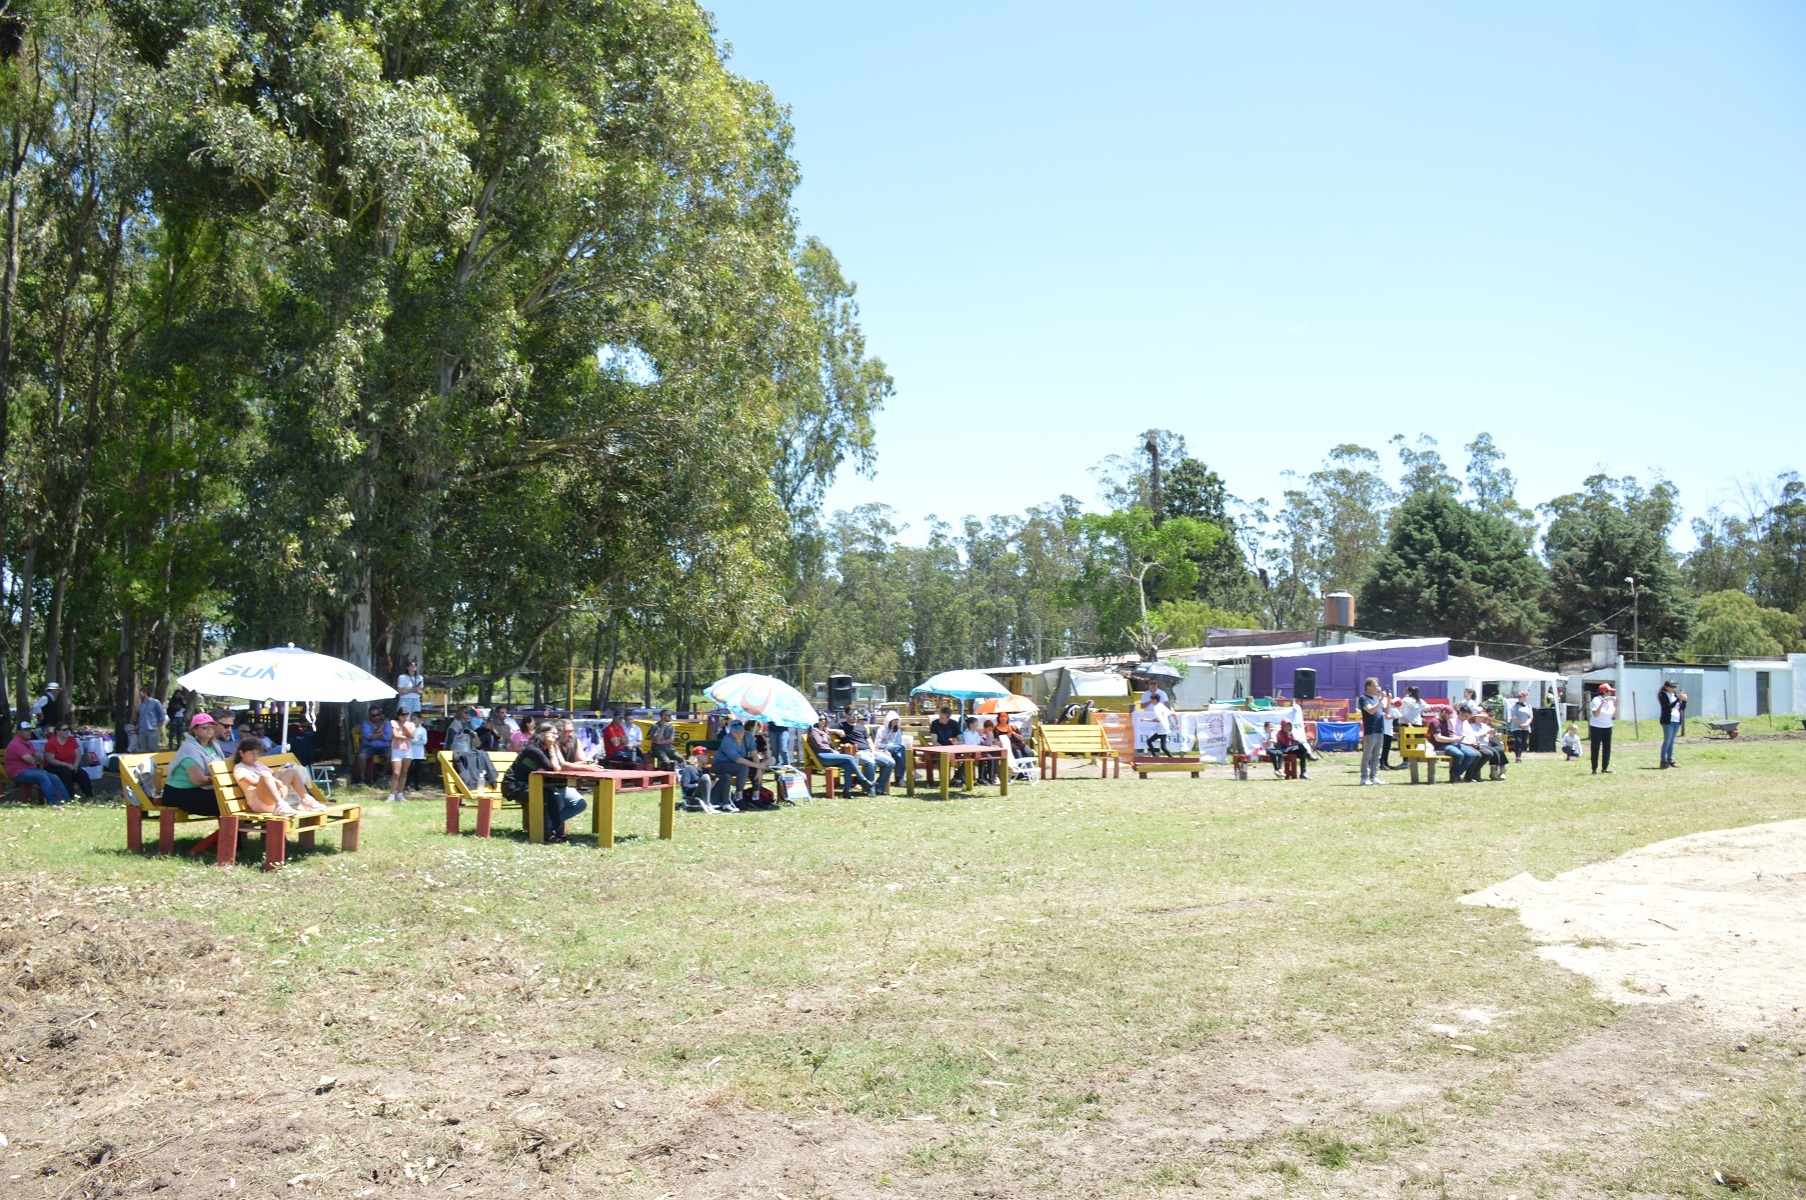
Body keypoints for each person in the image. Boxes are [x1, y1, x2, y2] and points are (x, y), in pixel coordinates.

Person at [503, 722, 587, 843]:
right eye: (552, 734)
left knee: (551, 795)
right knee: (545, 796)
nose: (556, 737)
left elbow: (557, 766)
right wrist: (552, 748)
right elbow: (555, 768)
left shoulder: (546, 748)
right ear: (543, 734)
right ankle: (545, 832)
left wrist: (552, 749)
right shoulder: (533, 749)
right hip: (514, 786)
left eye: (556, 734)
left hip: (532, 785)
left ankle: (557, 831)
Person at [230, 739, 323, 815]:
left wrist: (280, 776)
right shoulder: (239, 768)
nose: (255, 757)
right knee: (265, 775)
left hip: (274, 796)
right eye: (251, 753)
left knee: (291, 771)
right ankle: (280, 805)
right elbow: (254, 782)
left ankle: (306, 799)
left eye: (257, 754)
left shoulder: (258, 764)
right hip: (260, 802)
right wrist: (274, 780)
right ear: (241, 753)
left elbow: (274, 774)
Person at [161, 713, 226, 817]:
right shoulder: (189, 749)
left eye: (212, 726)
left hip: (202, 790)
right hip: (180, 793)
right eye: (204, 727)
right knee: (227, 802)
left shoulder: (214, 746)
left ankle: (235, 832)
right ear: (195, 730)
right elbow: (198, 781)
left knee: (239, 797)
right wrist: (220, 779)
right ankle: (229, 833)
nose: (209, 729)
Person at [805, 714, 870, 795]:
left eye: (824, 719)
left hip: (829, 755)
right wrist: (833, 751)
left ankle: (846, 792)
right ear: (816, 720)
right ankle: (862, 779)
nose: (823, 721)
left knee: (847, 765)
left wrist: (835, 750)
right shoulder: (813, 731)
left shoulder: (824, 730)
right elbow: (820, 745)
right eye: (820, 719)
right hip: (822, 757)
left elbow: (829, 744)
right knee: (849, 758)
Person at [6, 725, 69, 804]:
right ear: (19, 732)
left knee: (54, 777)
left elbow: (38, 756)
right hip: (17, 773)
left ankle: (66, 801)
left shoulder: (28, 742)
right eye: (26, 730)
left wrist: (34, 757)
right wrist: (34, 757)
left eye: (30, 730)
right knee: (42, 776)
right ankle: (54, 802)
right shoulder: (16, 744)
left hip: (31, 770)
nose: (29, 732)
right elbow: (31, 761)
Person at [838, 715, 893, 794]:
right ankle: (870, 789)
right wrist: (837, 731)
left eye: (856, 714)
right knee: (870, 762)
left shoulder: (862, 727)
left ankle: (879, 787)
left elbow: (869, 741)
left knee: (890, 762)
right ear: (846, 715)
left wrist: (873, 753)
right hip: (856, 753)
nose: (855, 717)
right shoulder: (841, 725)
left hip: (868, 751)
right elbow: (827, 728)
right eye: (852, 715)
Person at [446, 707, 498, 789]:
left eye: (469, 713)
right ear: (460, 713)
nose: (468, 714)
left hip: (470, 750)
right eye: (466, 712)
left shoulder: (470, 724)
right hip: (457, 751)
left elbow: (475, 736)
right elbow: (454, 740)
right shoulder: (455, 725)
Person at [1427, 707, 1482, 782]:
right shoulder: (1434, 722)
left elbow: (1451, 734)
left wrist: (1458, 738)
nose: (1450, 717)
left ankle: (1456, 774)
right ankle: (1455, 776)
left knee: (1472, 754)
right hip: (1440, 745)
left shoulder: (1447, 721)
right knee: (1459, 755)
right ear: (1443, 712)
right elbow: (1438, 738)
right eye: (1449, 715)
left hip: (1451, 743)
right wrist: (1454, 739)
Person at [41, 723, 93, 799]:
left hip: (70, 765)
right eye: (64, 730)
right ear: (58, 731)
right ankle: (68, 798)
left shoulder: (71, 740)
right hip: (54, 766)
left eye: (68, 729)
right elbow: (50, 760)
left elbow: (78, 755)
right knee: (65, 774)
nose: (67, 731)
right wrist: (66, 765)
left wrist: (75, 765)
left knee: (82, 774)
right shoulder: (52, 743)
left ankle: (89, 797)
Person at [712, 720, 758, 807]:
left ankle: (756, 798)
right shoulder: (727, 740)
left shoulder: (748, 736)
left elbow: (754, 754)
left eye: (741, 731)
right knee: (743, 768)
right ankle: (738, 798)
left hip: (736, 764)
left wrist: (759, 769)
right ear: (731, 732)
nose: (739, 733)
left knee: (753, 768)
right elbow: (738, 760)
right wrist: (758, 765)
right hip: (720, 764)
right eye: (736, 732)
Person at [1357, 677, 1386, 786]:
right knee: (1367, 755)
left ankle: (1374, 776)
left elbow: (1386, 712)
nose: (1377, 688)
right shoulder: (1363, 698)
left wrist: (1387, 700)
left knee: (1377, 755)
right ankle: (1364, 777)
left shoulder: (1376, 698)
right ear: (1368, 687)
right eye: (1375, 686)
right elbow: (1371, 710)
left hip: (1380, 729)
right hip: (1371, 730)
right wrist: (1380, 700)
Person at [387, 707, 416, 802]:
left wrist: (404, 727)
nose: (405, 717)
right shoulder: (394, 723)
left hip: (407, 750)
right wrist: (406, 737)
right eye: (403, 715)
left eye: (406, 715)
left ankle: (400, 793)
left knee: (404, 772)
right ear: (398, 716)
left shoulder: (410, 724)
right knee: (396, 773)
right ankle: (391, 794)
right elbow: (395, 736)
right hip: (397, 749)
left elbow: (412, 735)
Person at [1657, 680, 1687, 769]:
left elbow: (1682, 708)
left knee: (1672, 741)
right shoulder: (1663, 695)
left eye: (1674, 687)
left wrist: (1684, 700)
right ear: (1666, 687)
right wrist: (1678, 699)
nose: (1673, 688)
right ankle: (1663, 761)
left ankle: (1670, 760)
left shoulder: (1675, 695)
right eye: (1671, 687)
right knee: (1667, 741)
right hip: (1668, 720)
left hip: (1676, 720)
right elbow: (1668, 706)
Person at [1588, 684, 1617, 775]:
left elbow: (1614, 716)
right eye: (1609, 691)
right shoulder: (1596, 700)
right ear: (1604, 692)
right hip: (1597, 726)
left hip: (1608, 726)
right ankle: (1594, 768)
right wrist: (1602, 703)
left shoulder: (1610, 702)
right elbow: (1595, 714)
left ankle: (1605, 768)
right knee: (1595, 748)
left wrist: (1616, 704)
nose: (1611, 693)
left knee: (1607, 748)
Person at [679, 746, 716, 812]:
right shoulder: (689, 769)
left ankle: (726, 803)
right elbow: (685, 786)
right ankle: (707, 805)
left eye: (707, 754)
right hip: (694, 797)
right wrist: (698, 785)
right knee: (705, 777)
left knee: (725, 777)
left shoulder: (705, 770)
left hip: (708, 795)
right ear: (697, 755)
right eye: (705, 754)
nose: (707, 756)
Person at [132, 690, 167, 754]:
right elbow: (141, 719)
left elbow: (162, 716)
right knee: (143, 751)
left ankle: (154, 763)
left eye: (141, 693)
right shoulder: (142, 705)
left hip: (152, 731)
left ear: (145, 693)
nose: (139, 695)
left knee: (153, 751)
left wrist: (157, 727)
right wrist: (135, 728)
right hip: (142, 731)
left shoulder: (155, 702)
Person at [1505, 690, 1534, 764]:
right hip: (1516, 726)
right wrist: (1520, 724)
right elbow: (1514, 716)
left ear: (1525, 697)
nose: (1518, 698)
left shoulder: (1528, 706)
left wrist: (1526, 724)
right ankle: (1517, 757)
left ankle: (1519, 756)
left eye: (1520, 696)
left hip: (1526, 727)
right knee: (1518, 741)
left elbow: (1530, 717)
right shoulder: (1515, 706)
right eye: (1518, 696)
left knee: (1523, 742)